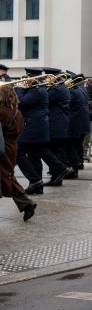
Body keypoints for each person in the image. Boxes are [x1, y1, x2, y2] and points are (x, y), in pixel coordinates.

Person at [0, 84, 35, 221]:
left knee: (7, 176)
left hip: (3, 147)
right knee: (7, 175)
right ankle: (26, 204)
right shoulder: (16, 111)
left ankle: (27, 204)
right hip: (11, 146)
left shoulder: (2, 111)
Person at [66, 74, 91, 174]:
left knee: (71, 145)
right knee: (77, 145)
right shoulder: (81, 89)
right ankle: (79, 163)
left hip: (76, 123)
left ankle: (74, 166)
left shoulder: (72, 91)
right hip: (82, 122)